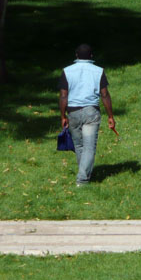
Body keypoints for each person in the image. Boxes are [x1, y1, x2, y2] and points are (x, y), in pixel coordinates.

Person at [58, 44, 117, 187]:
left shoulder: (67, 71)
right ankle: (83, 179)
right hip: (91, 112)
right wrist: (110, 116)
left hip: (73, 112)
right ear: (92, 56)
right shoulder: (99, 71)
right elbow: (104, 94)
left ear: (76, 55)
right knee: (89, 147)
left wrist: (63, 116)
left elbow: (63, 96)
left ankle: (83, 174)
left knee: (79, 146)